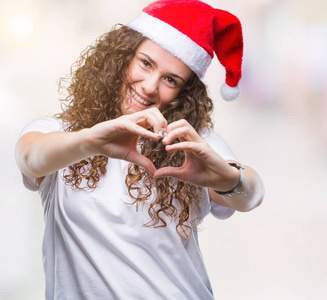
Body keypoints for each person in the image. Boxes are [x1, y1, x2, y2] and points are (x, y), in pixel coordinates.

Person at [14, 0, 264, 299]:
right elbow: (30, 159)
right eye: (145, 63)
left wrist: (228, 179)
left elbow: (251, 195)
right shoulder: (61, 134)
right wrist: (91, 141)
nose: (148, 86)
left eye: (170, 80)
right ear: (121, 57)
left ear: (184, 93)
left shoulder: (192, 142)